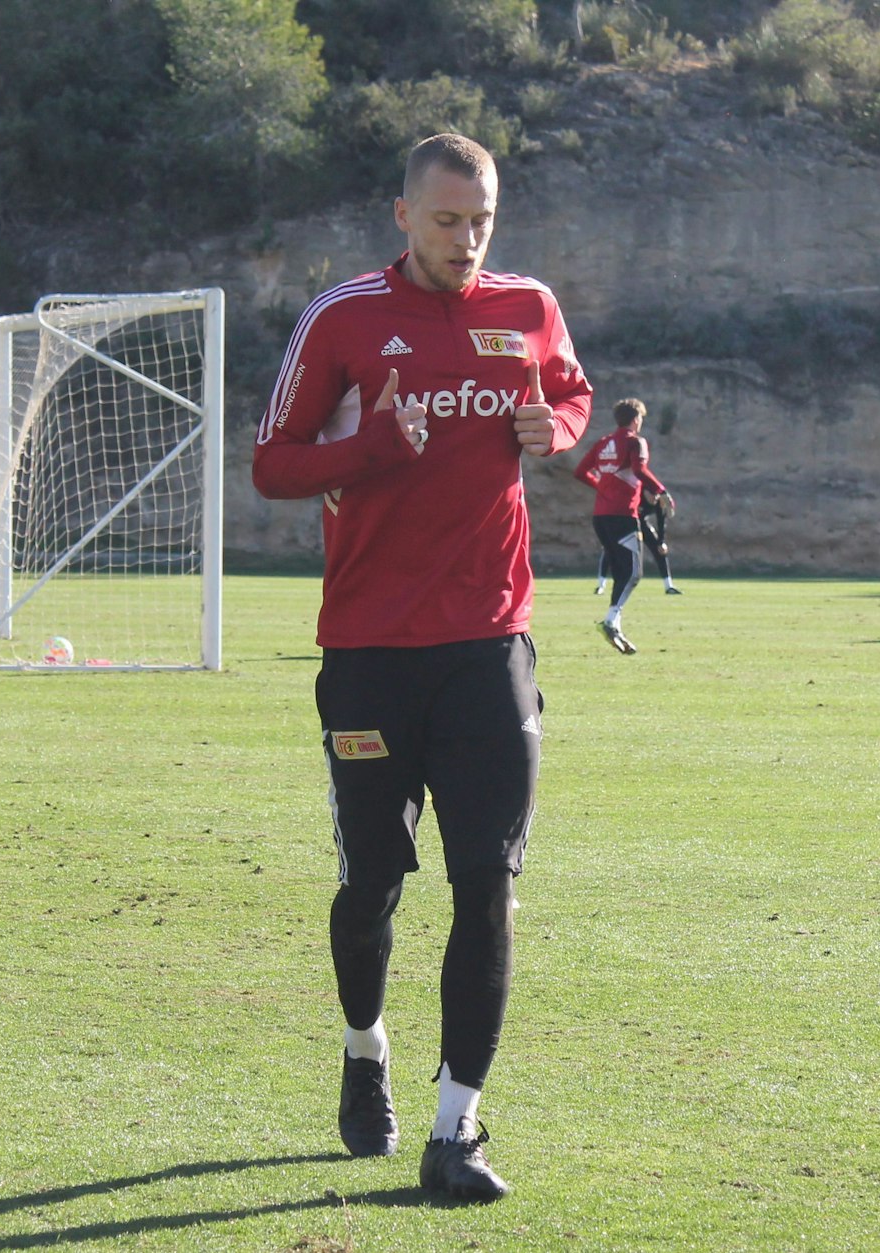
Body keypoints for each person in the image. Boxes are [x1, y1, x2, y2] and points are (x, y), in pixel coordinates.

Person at [250, 133, 593, 1202]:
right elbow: (272, 465)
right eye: (445, 220)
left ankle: (457, 1128)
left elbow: (572, 397)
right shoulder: (343, 317)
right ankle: (364, 1048)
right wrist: (371, 450)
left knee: (485, 884)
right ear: (401, 215)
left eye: (480, 220)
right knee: (373, 883)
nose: (464, 239)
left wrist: (555, 426)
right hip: (367, 654)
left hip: (489, 642)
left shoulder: (526, 306)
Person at [573, 397, 674, 652]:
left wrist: (603, 488)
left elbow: (580, 471)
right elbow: (639, 470)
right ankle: (611, 621)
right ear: (636, 419)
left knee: (621, 571)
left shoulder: (603, 442)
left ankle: (614, 622)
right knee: (632, 573)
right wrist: (661, 491)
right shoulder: (635, 442)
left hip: (601, 517)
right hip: (622, 516)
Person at [594, 490, 681, 597]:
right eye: (652, 495)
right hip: (626, 524)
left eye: (656, 496)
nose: (654, 498)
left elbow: (661, 522)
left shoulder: (659, 502)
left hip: (642, 524)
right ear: (646, 492)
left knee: (659, 550)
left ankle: (669, 586)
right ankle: (601, 586)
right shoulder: (636, 494)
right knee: (609, 550)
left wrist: (661, 541)